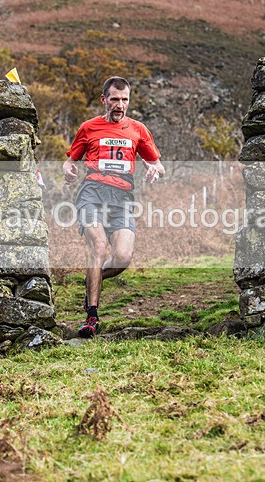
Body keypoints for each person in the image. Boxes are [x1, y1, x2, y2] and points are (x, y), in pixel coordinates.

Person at [63, 76, 165, 338]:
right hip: (93, 193)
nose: (120, 105)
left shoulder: (138, 130)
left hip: (122, 198)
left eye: (124, 100)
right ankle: (92, 316)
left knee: (122, 258)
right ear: (104, 100)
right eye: (115, 99)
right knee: (98, 247)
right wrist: (69, 170)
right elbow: (70, 160)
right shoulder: (88, 128)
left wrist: (154, 170)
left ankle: (92, 283)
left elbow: (157, 164)